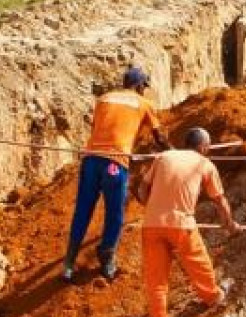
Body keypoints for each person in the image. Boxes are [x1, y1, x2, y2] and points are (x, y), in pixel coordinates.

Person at [134, 128, 244, 317]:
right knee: (198, 262)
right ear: (203, 147)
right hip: (181, 224)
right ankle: (213, 296)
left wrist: (151, 208)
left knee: (156, 282)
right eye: (208, 146)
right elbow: (219, 200)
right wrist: (230, 224)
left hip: (151, 225)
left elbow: (142, 187)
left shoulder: (163, 156)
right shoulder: (204, 164)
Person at [64, 67, 168, 282]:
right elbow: (159, 137)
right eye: (143, 88)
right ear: (139, 86)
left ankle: (69, 263)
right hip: (115, 164)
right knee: (115, 213)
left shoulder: (103, 99)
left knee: (83, 210)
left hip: (91, 160)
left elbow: (101, 129)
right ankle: (108, 258)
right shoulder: (144, 104)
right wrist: (173, 152)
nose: (143, 91)